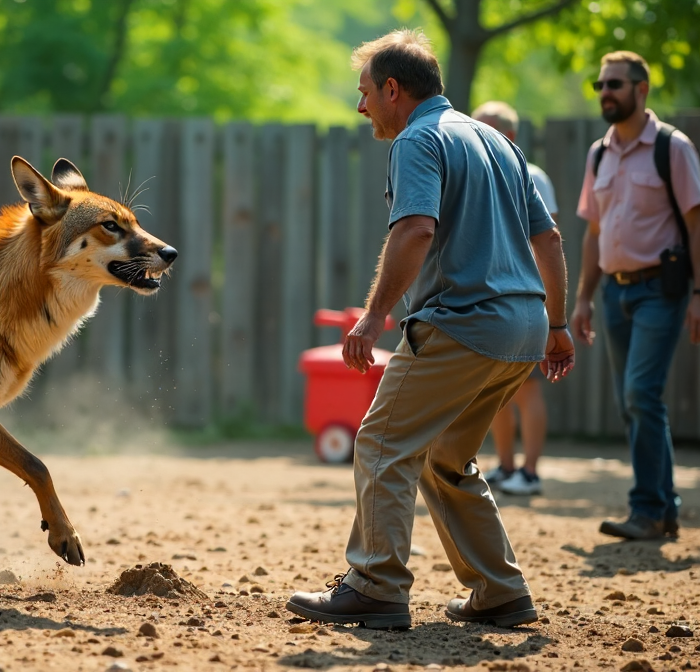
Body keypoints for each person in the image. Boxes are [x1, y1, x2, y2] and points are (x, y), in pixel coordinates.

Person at [286, 29, 574, 630]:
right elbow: (548, 238)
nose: (361, 106)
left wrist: (373, 316)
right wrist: (557, 323)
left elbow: (416, 229)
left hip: (464, 323)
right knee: (446, 456)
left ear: (393, 89)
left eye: (365, 92)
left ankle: (375, 586)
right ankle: (500, 592)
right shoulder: (497, 142)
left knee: (381, 443)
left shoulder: (418, 139)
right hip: (522, 329)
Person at [572, 51, 700, 541]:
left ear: (641, 89)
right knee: (633, 401)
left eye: (614, 84)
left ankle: (648, 509)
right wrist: (584, 298)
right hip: (613, 293)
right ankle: (664, 509)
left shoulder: (673, 147)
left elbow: (699, 225)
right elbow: (593, 234)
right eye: (600, 85)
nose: (605, 92)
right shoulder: (599, 153)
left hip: (661, 290)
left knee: (640, 394)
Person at [472, 100, 560, 497]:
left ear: (510, 135)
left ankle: (531, 471)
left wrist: (546, 302)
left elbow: (547, 240)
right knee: (494, 390)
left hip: (524, 296)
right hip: (492, 295)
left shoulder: (532, 175)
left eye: (486, 129)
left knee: (526, 388)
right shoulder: (477, 174)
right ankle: (506, 466)